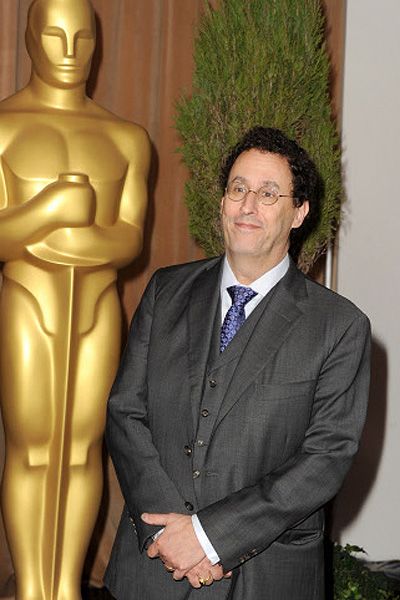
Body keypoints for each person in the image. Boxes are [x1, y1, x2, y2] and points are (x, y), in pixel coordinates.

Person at [105, 126, 370, 600]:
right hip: (150, 571)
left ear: (299, 211)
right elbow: (126, 412)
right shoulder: (165, 292)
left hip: (265, 578)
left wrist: (209, 537)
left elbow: (324, 459)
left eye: (269, 194)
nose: (248, 205)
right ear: (223, 201)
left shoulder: (339, 326)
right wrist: (171, 536)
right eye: (238, 189)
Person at [0, 0, 149, 598]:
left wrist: (75, 235)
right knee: (33, 446)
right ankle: (33, 585)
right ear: (33, 40)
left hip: (96, 309)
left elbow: (130, 239)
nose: (69, 51)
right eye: (55, 36)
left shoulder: (127, 138)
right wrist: (48, 211)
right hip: (26, 301)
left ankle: (64, 586)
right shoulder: (4, 128)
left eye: (81, 38)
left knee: (85, 448)